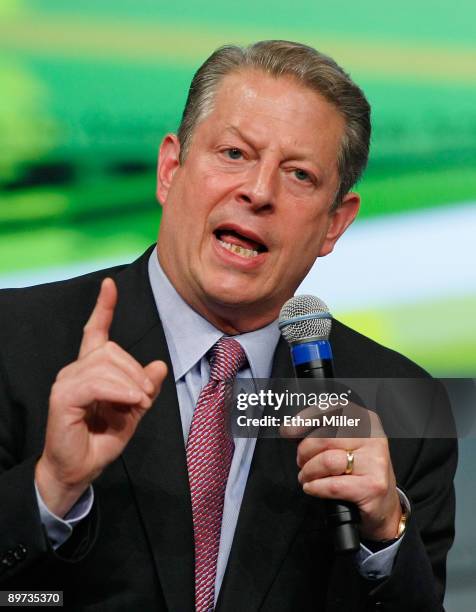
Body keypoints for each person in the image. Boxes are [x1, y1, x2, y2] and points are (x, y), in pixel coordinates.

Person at [0, 41, 456, 611]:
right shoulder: (13, 344)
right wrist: (49, 489)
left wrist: (384, 532)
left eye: (299, 174)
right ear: (170, 169)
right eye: (235, 154)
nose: (259, 192)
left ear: (334, 224)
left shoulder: (401, 407)